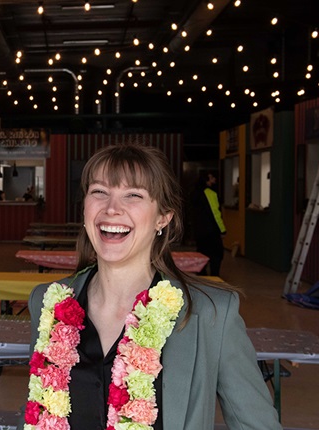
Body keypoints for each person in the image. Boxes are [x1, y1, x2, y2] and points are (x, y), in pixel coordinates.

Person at [24, 144, 280, 429]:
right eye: (99, 191)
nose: (111, 208)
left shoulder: (211, 315)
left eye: (133, 195)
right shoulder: (48, 303)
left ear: (163, 218)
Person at [192, 171, 227, 276]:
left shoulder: (194, 193)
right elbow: (215, 213)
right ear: (207, 179)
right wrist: (222, 229)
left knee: (202, 254)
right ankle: (214, 277)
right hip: (211, 231)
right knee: (217, 255)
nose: (215, 180)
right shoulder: (210, 194)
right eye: (212, 178)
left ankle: (201, 276)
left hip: (199, 230)